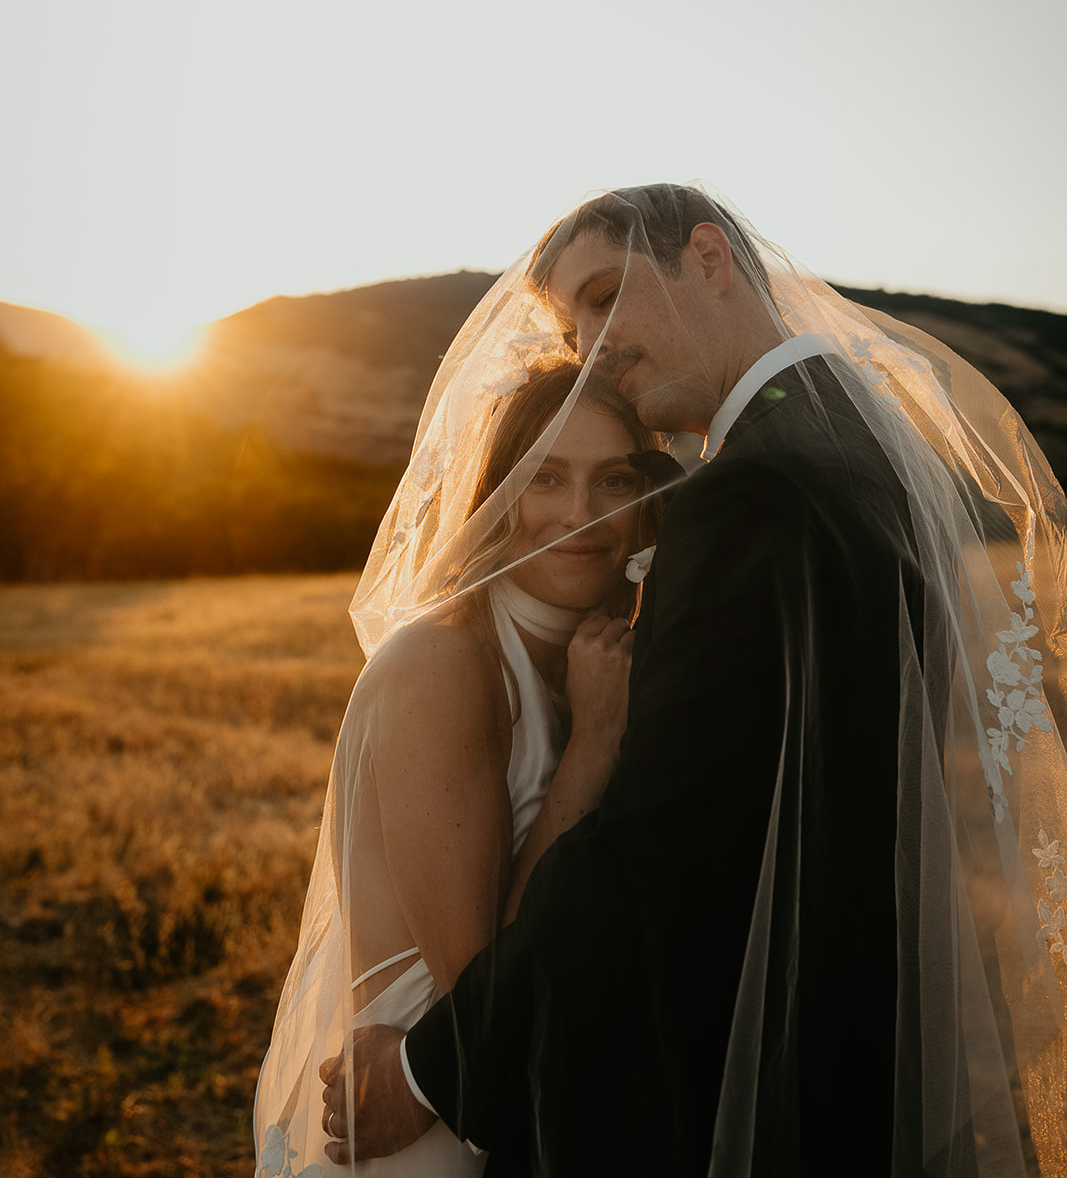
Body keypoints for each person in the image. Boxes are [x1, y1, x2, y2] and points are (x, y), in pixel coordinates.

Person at [322, 183, 1067, 1177]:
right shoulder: (856, 443)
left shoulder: (749, 491)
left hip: (748, 1071)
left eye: (602, 295)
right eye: (567, 320)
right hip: (842, 1032)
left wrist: (426, 1066)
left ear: (709, 259)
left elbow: (652, 848)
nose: (587, 343)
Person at [253, 358, 667, 1177]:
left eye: (614, 480)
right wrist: (590, 749)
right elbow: (477, 983)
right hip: (426, 1122)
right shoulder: (445, 662)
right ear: (498, 493)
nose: (580, 515)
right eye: (546, 477)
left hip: (522, 1105)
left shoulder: (597, 658)